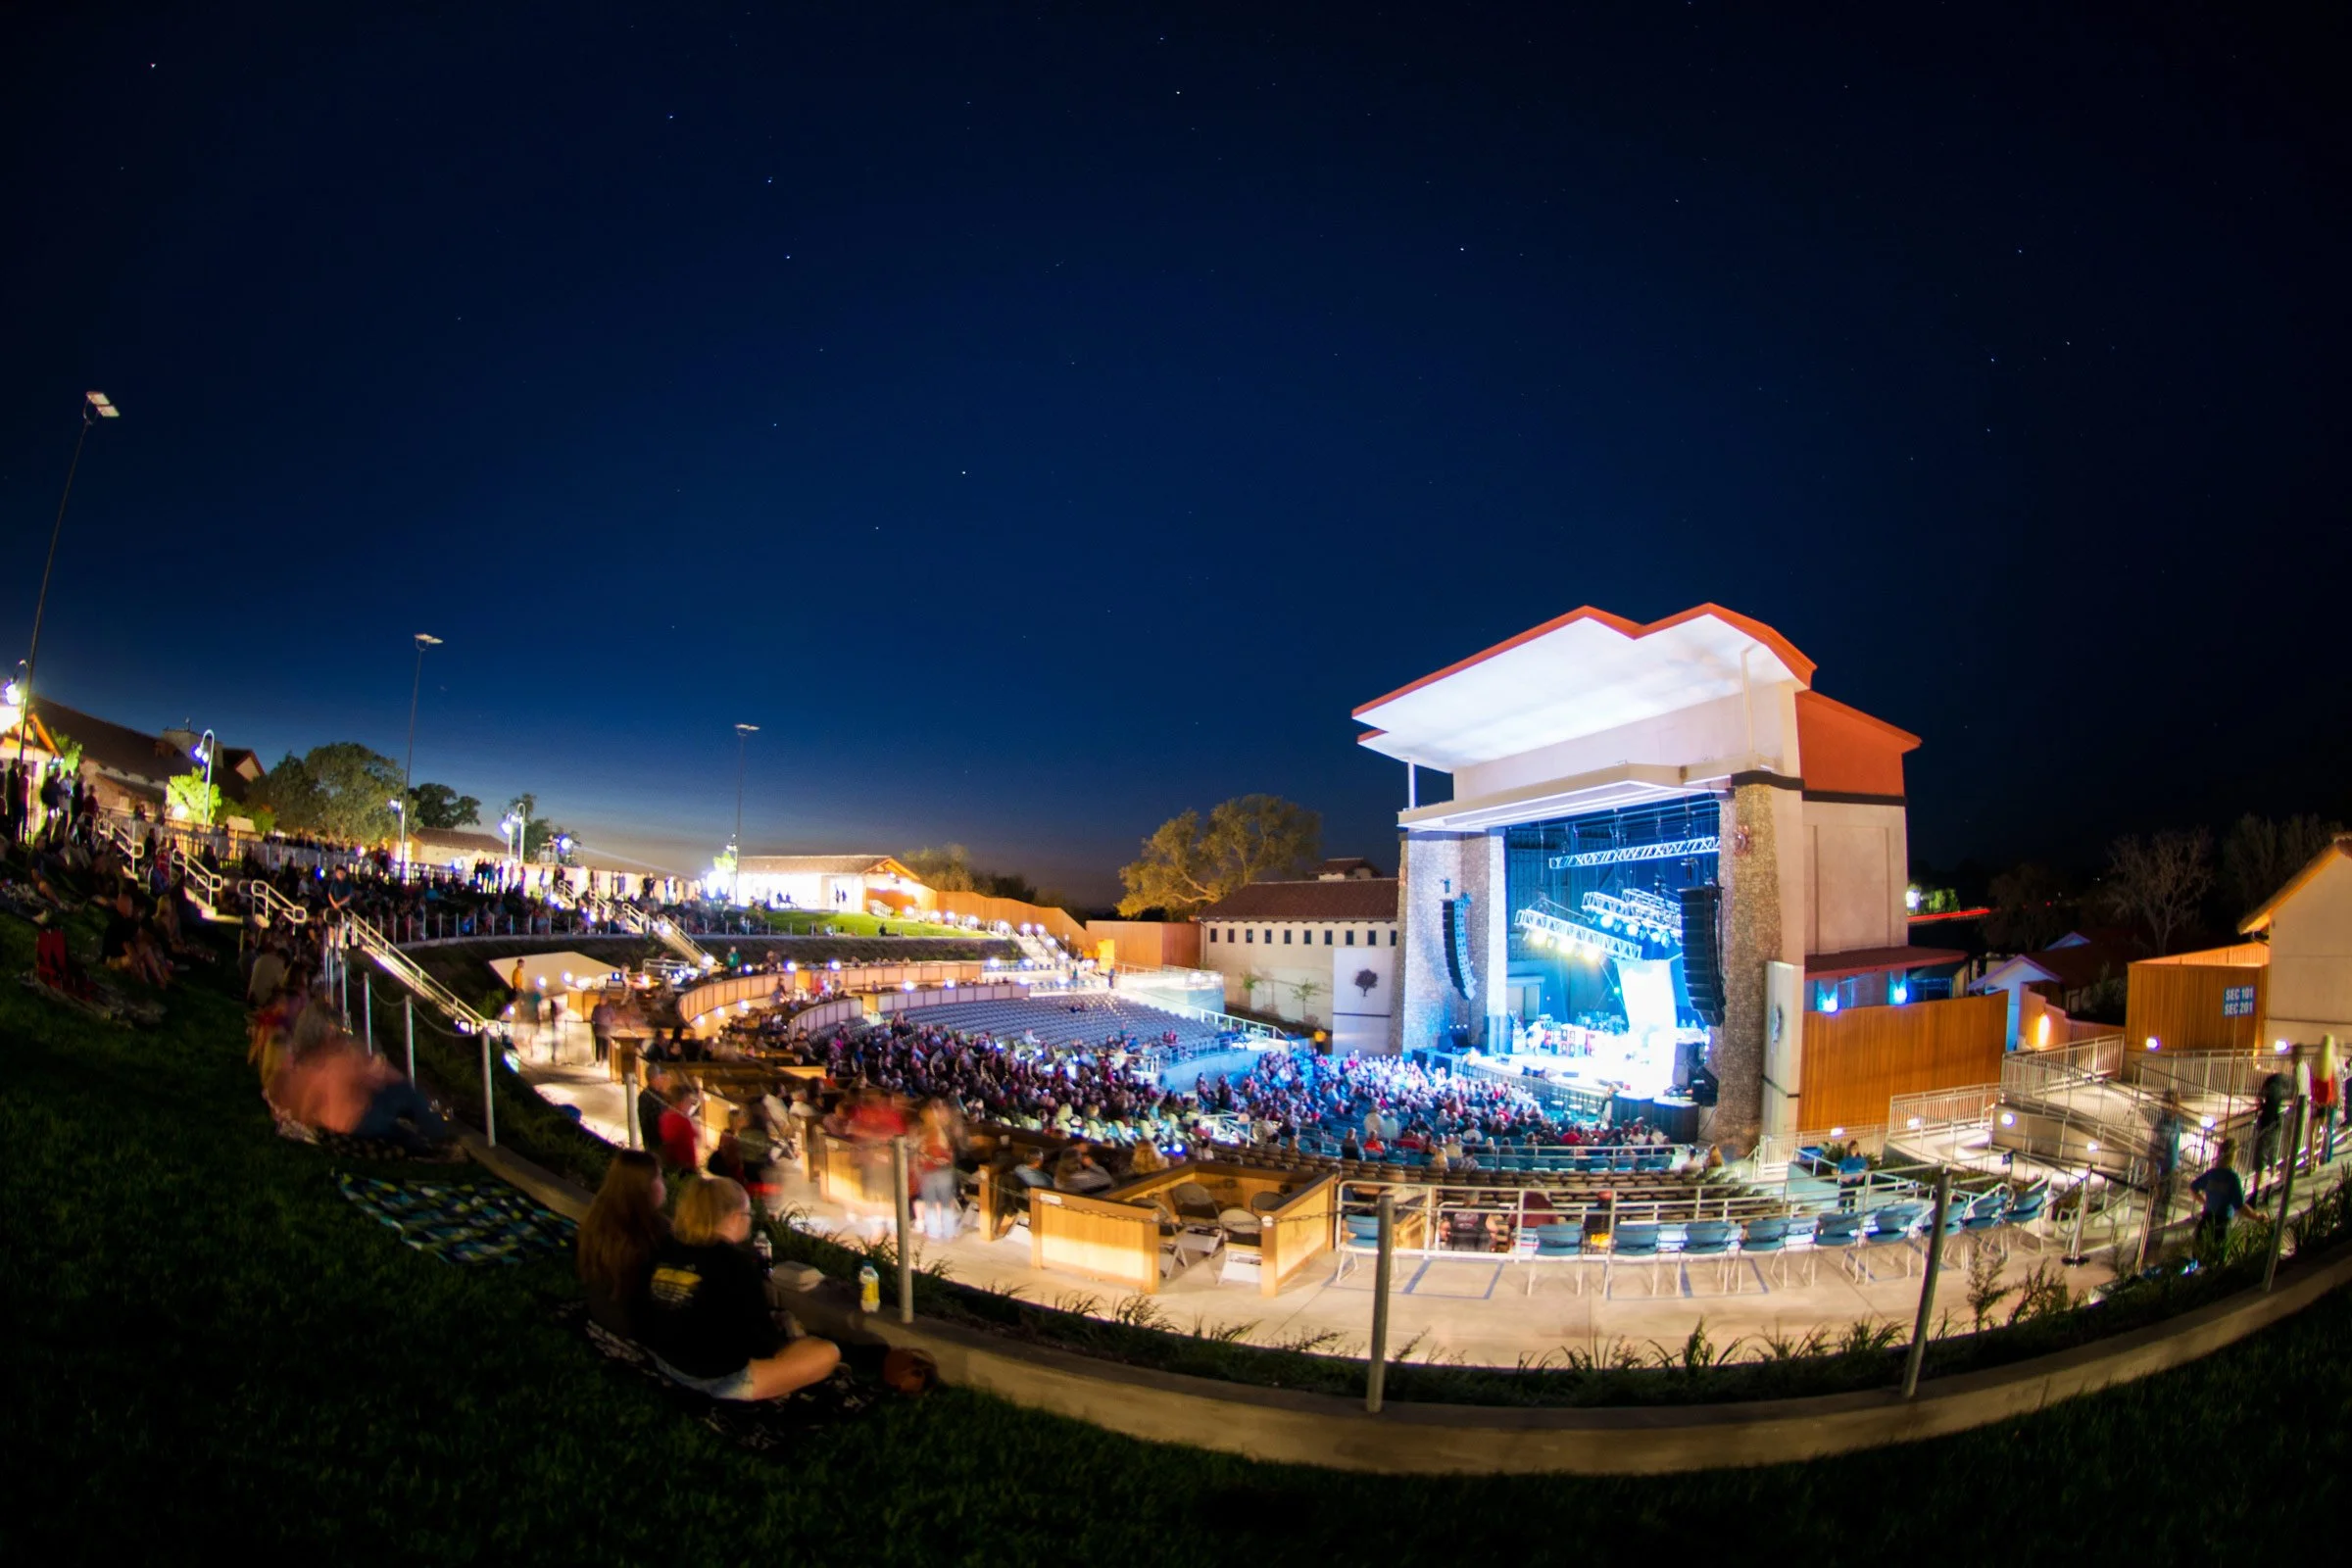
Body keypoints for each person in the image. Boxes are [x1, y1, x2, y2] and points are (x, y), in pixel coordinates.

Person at [640, 1176, 840, 1401]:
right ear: (735, 1218)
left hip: (665, 1361)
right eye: (748, 1215)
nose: (749, 1221)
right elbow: (761, 1343)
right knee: (826, 1353)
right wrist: (789, 1346)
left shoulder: (666, 1249)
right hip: (714, 1380)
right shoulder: (734, 1263)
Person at [577, 1151, 668, 1339]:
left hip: (601, 1313)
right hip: (636, 1328)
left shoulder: (597, 1219)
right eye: (658, 1177)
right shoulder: (654, 1232)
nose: (663, 1184)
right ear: (644, 1187)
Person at [2190, 1138, 2263, 1255]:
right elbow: (2240, 1206)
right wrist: (2257, 1217)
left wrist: (2205, 1202)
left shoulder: (2211, 1174)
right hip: (2221, 1226)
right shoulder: (2232, 1178)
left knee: (2199, 1256)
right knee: (2217, 1260)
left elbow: (2193, 1188)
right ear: (2233, 1155)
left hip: (2206, 1221)